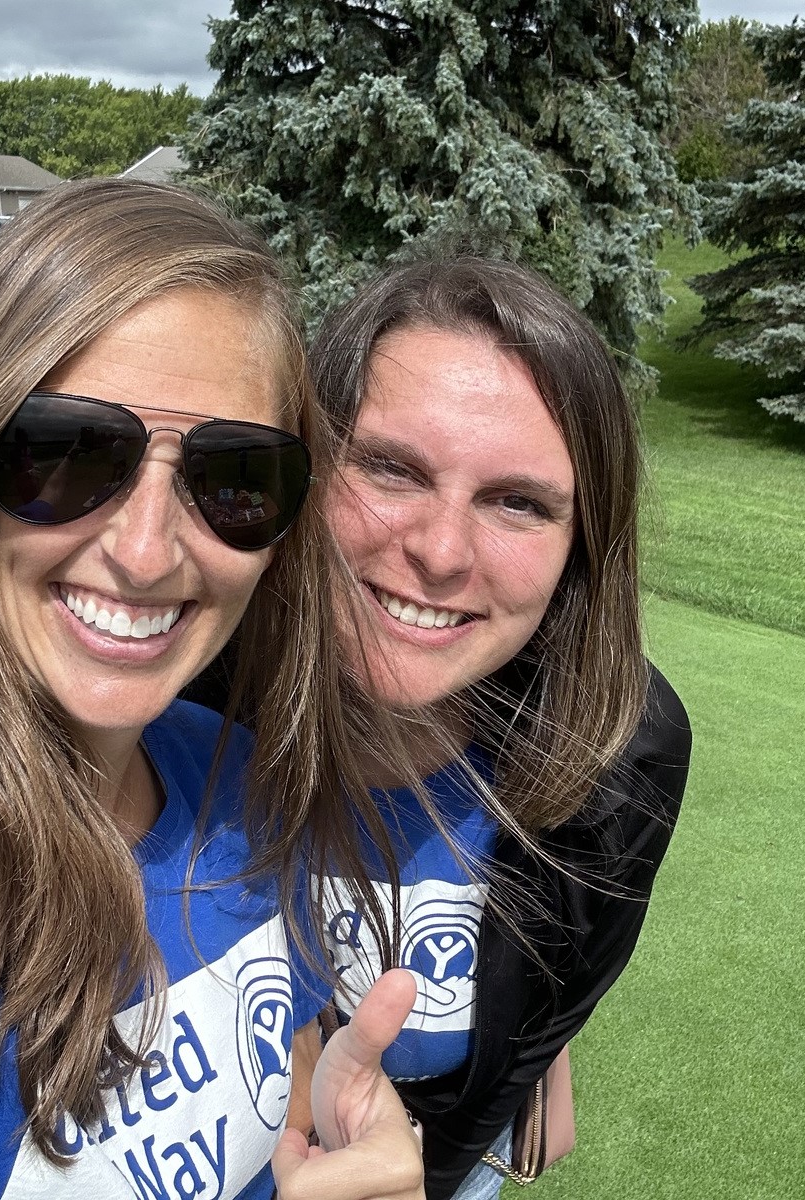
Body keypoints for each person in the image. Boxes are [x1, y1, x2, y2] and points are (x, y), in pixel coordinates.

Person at [0, 179, 424, 1200]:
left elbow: (289, 1077)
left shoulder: (230, 778)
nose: (147, 554)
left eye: (235, 477)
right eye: (62, 455)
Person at [307, 257, 694, 1200]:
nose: (440, 553)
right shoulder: (183, 692)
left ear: (578, 550)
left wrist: (426, 1180)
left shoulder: (624, 756)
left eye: (518, 502)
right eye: (391, 469)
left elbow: (537, 1021)